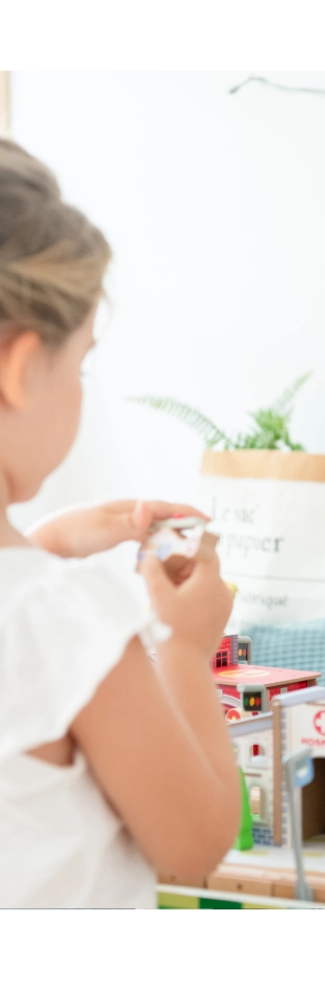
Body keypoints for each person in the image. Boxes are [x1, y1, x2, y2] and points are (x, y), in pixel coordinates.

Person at [0, 139, 239, 907]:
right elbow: (195, 842)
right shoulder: (67, 617)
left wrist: (48, 544)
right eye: (82, 364)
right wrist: (188, 646)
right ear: (21, 369)